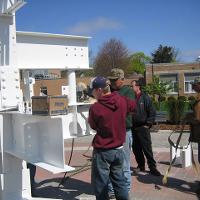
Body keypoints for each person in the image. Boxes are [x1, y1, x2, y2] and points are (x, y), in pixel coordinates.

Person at [88, 76, 136, 200]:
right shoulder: (122, 100)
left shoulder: (95, 108)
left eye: (92, 91)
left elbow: (93, 126)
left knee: (101, 185)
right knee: (120, 182)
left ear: (99, 90)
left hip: (103, 151)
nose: (92, 94)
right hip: (119, 149)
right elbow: (133, 107)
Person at [107, 68, 135, 196]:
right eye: (111, 80)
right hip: (110, 132)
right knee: (110, 163)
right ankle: (112, 190)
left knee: (124, 163)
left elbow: (125, 107)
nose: (112, 83)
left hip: (124, 132)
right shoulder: (109, 90)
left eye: (114, 80)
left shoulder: (128, 91)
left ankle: (126, 190)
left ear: (122, 79)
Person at [131, 78, 161, 176]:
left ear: (138, 87)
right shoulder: (131, 98)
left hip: (143, 127)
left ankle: (152, 167)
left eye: (132, 86)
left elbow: (152, 111)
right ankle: (141, 166)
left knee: (147, 148)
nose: (131, 88)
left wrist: (148, 124)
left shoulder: (145, 97)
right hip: (133, 127)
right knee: (136, 149)